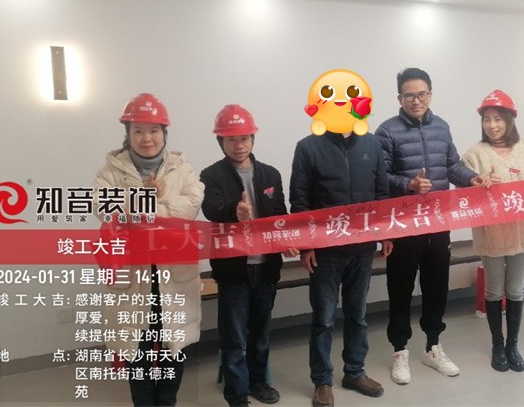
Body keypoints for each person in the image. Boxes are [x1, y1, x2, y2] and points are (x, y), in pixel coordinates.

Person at [374, 68, 488, 385]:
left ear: (430, 95)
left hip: (438, 222)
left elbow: (452, 166)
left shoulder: (441, 127)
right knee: (400, 289)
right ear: (399, 98)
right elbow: (379, 177)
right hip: (403, 226)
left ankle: (433, 347)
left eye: (421, 94)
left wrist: (471, 179)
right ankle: (399, 351)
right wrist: (407, 185)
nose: (416, 100)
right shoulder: (386, 132)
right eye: (409, 95)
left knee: (436, 286)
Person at [93, 93, 204, 406]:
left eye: (154, 130)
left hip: (174, 274)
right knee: (137, 348)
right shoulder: (110, 171)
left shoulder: (183, 169)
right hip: (132, 275)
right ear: (127, 135)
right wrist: (144, 197)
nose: (146, 138)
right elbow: (104, 209)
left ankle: (167, 402)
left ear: (164, 133)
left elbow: (190, 207)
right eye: (138, 131)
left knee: (173, 347)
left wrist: (150, 207)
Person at [200, 104, 297, 406]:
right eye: (231, 139)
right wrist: (235, 211)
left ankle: (258, 381)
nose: (239, 145)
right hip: (233, 271)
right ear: (221, 141)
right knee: (234, 338)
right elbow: (211, 209)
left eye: (244, 138)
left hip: (266, 268)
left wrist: (286, 241)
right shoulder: (211, 175)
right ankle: (237, 394)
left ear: (253, 138)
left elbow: (280, 215)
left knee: (260, 333)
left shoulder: (270, 174)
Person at [289, 128, 393, 407]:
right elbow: (300, 199)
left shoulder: (371, 143)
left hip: (362, 248)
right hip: (325, 251)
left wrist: (385, 233)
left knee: (358, 314)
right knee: (323, 319)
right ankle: (322, 380)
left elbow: (382, 193)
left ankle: (354, 372)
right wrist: (306, 245)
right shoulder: (308, 146)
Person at [461, 89, 524, 372]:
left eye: (498, 119)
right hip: (491, 232)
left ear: (510, 120)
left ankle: (513, 345)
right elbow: (462, 189)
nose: (492, 125)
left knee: (515, 289)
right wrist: (478, 183)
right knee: (494, 290)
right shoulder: (474, 153)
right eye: (487, 119)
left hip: (522, 231)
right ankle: (497, 345)